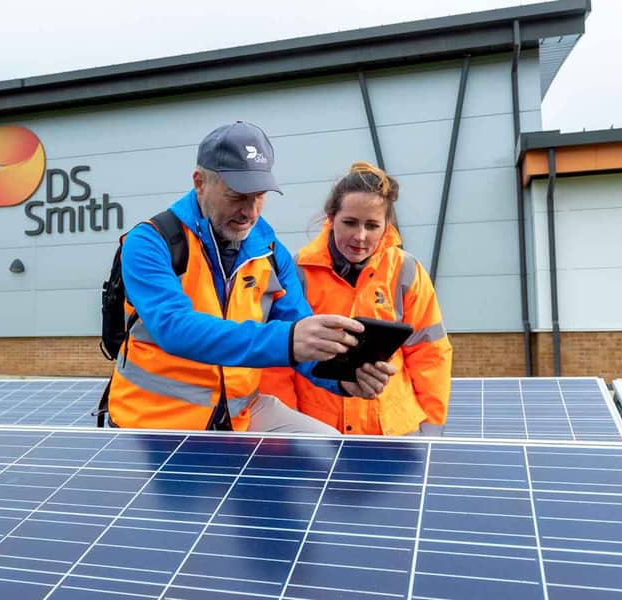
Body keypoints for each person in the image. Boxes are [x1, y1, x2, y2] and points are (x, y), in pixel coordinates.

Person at [106, 122, 396, 432]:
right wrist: (286, 340)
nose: (250, 211)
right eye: (237, 196)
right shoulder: (151, 242)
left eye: (259, 196)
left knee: (330, 449)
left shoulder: (270, 252)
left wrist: (340, 377)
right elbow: (174, 329)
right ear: (200, 182)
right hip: (153, 424)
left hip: (240, 412)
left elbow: (301, 335)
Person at [260, 162, 453, 436]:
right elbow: (278, 362)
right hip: (319, 432)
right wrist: (288, 435)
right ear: (331, 217)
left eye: (372, 225)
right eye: (349, 223)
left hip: (394, 432)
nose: (360, 237)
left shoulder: (406, 271)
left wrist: (432, 430)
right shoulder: (298, 273)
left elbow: (431, 354)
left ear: (386, 226)